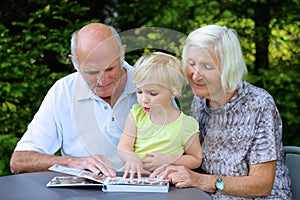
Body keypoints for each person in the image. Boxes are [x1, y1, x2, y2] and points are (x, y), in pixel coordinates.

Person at [152, 25, 292, 199]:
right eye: (191, 63)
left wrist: (202, 181)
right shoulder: (200, 101)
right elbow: (196, 159)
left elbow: (262, 185)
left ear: (229, 67)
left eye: (207, 66)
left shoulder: (259, 104)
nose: (195, 76)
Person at [10, 23, 139, 177]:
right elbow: (19, 161)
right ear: (74, 62)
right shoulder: (63, 91)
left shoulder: (150, 84)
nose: (102, 80)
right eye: (91, 72)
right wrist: (72, 162)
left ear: (122, 54)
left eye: (110, 69)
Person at [118, 52, 202, 179]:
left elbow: (196, 159)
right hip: (134, 178)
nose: (144, 99)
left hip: (165, 182)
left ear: (174, 91)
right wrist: (131, 158)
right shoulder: (136, 114)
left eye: (152, 93)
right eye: (139, 91)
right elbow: (123, 146)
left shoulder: (186, 125)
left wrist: (169, 160)